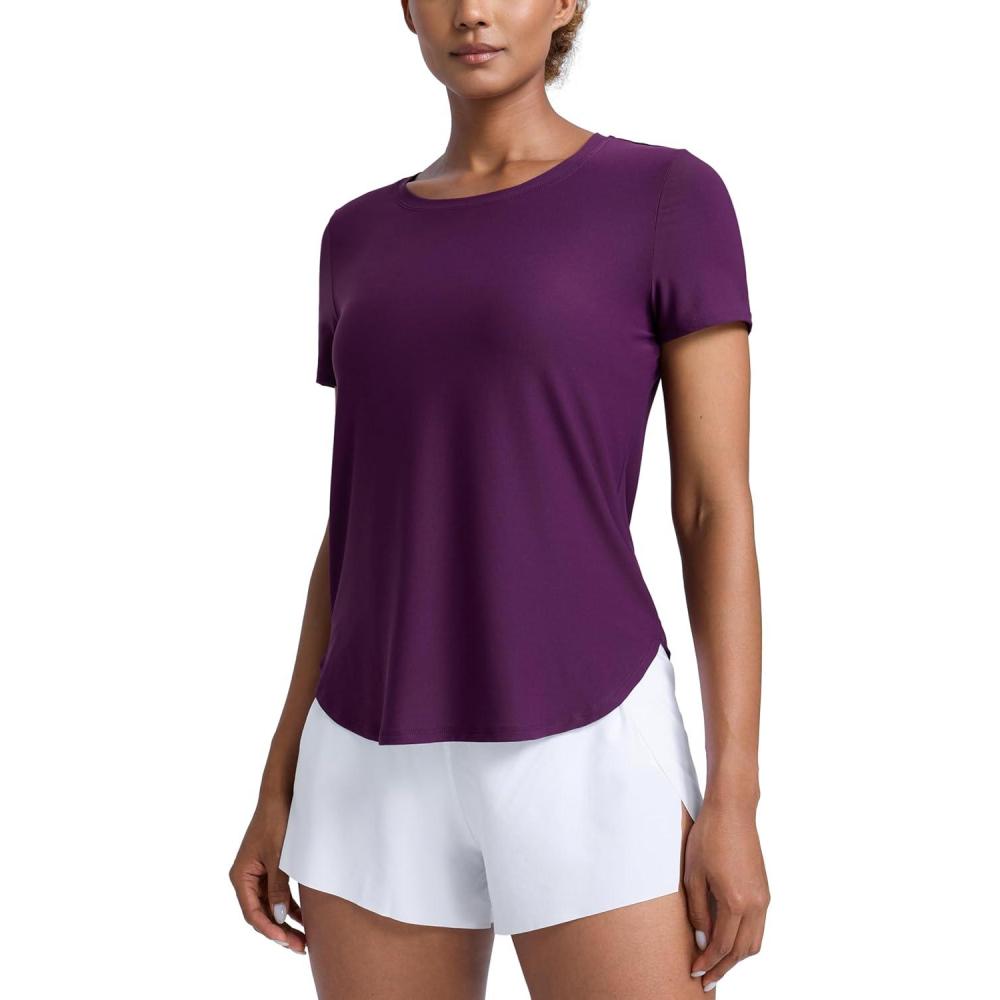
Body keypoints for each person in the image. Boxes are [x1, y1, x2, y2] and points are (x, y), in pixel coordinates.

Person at [230, 1, 769, 996]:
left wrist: (734, 794)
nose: (471, 10)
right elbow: (359, 521)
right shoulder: (356, 236)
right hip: (365, 752)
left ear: (564, 3)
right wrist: (280, 772)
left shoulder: (666, 198)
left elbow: (711, 506)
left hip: (588, 733)